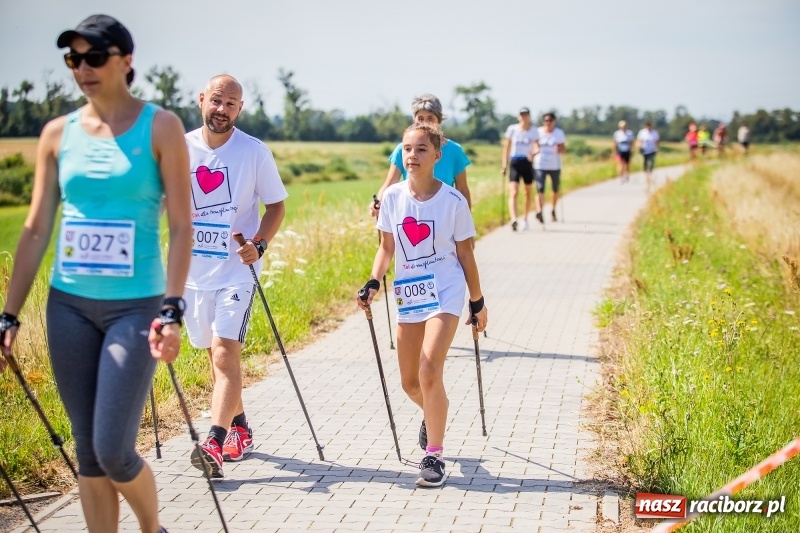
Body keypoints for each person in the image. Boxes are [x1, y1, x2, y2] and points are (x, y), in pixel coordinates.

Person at [0, 14, 192, 533]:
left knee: (112, 448)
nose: (82, 68)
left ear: (126, 62)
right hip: (69, 306)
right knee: (86, 450)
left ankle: (153, 528)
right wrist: (7, 316)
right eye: (73, 59)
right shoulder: (56, 133)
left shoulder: (162, 126)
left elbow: (181, 224)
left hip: (136, 306)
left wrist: (173, 307)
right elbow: (37, 227)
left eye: (94, 57)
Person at [357, 122, 487, 488]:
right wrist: (372, 282)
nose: (411, 156)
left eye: (420, 149)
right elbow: (386, 249)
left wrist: (477, 303)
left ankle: (433, 455)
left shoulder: (453, 202)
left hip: (445, 291)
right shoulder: (393, 198)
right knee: (410, 382)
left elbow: (466, 254)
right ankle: (434, 415)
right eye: (406, 149)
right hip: (409, 293)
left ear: (436, 156)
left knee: (430, 370)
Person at [184, 75, 288, 478]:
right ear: (202, 101)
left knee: (226, 353)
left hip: (236, 272)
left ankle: (213, 439)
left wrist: (259, 244)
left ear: (240, 109)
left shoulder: (254, 152)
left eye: (231, 103)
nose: (222, 110)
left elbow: (276, 207)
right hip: (193, 275)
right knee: (214, 357)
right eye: (216, 101)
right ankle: (241, 428)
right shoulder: (180, 147)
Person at [369, 94, 471, 217]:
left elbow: (462, 189)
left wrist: (466, 222)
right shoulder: (402, 149)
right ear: (414, 120)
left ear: (439, 120)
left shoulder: (455, 151)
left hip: (444, 215)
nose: (425, 123)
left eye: (430, 118)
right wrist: (378, 202)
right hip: (410, 214)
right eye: (420, 118)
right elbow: (389, 183)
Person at [501, 107, 539, 230]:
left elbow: (537, 147)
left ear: (529, 116)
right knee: (514, 191)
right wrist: (504, 165)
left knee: (527, 192)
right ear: (518, 117)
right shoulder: (512, 129)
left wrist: (533, 153)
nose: (524, 117)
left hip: (527, 162)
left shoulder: (533, 131)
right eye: (521, 115)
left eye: (526, 115)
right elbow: (506, 148)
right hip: (515, 162)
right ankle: (514, 219)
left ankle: (525, 218)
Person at [533, 112, 566, 223]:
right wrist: (534, 152)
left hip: (554, 165)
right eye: (546, 120)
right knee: (540, 188)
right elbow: (534, 146)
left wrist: (559, 149)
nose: (548, 122)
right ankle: (539, 211)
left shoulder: (559, 133)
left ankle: (552, 208)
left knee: (555, 189)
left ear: (554, 121)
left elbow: (563, 149)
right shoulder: (538, 132)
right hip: (540, 165)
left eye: (550, 120)